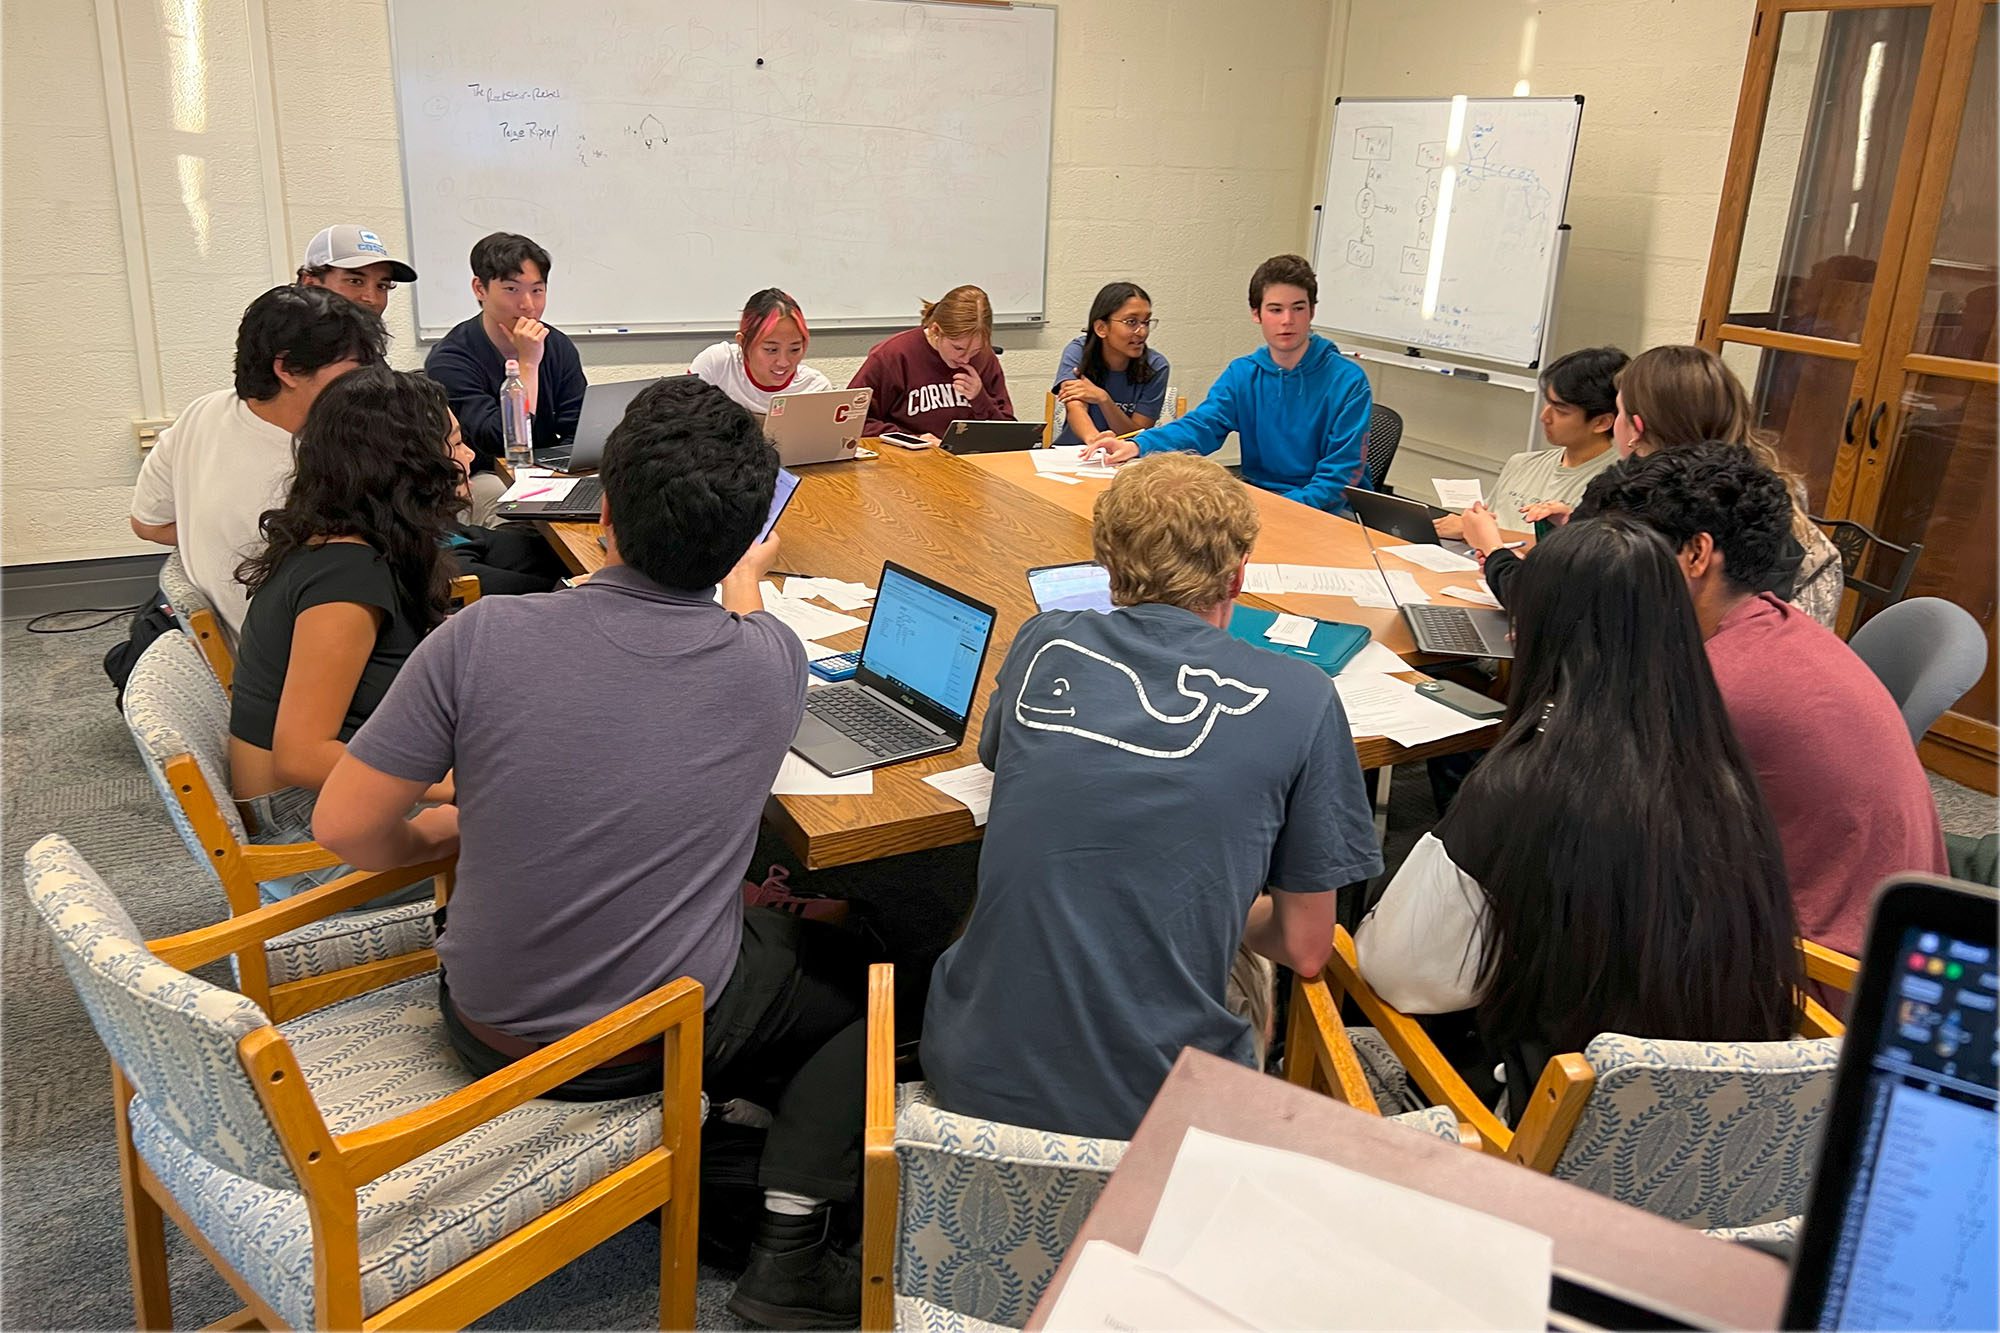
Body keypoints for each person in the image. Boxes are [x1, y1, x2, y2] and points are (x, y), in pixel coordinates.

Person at [312, 376, 868, 1329]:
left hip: (479, 1016)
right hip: (631, 1048)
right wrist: (748, 585)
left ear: (605, 510)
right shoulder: (771, 662)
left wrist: (470, 824)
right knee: (879, 975)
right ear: (741, 540)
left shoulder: (481, 636)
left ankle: (733, 1150)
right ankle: (789, 1240)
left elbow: (345, 829)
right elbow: (733, 638)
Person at [921, 452, 1384, 1141]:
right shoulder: (1303, 697)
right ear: (1238, 572)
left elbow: (996, 753)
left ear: (1107, 567)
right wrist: (1222, 900)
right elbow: (1305, 946)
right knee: (1251, 957)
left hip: (972, 1080)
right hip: (1167, 1121)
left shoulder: (1045, 640)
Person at [1357, 514, 1802, 1114]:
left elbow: (1401, 976)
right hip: (1718, 1121)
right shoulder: (1723, 767)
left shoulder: (1524, 784)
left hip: (1557, 1128)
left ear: (1543, 633)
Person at [1579, 445, 1948, 960]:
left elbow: (1612, 837)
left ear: (1695, 555)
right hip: (1881, 943)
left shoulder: (1721, 685)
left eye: (1623, 552)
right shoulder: (1773, 623)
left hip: (1810, 974)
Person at [228, 365, 465, 863]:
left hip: (328, 801)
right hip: (304, 832)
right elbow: (301, 756)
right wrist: (450, 785)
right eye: (456, 444)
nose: (466, 458)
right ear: (414, 466)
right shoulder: (347, 579)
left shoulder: (339, 540)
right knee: (558, 822)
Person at [1463, 345, 1843, 626]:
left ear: (1636, 427)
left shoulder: (1640, 499)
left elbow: (1545, 603)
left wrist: (1493, 548)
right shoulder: (1771, 492)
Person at [131, 285, 386, 638]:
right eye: (355, 367)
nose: (366, 381)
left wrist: (218, 539)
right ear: (289, 370)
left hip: (249, 644)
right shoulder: (317, 463)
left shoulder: (204, 411)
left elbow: (147, 524)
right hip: (302, 653)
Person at [1095, 255, 1373, 516]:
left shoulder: (1348, 381)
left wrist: (1277, 509)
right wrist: (1137, 445)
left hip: (1327, 512)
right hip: (1261, 500)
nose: (1287, 320)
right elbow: (1201, 426)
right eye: (1275, 309)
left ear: (1311, 311)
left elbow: (1340, 476)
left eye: (1298, 308)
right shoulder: (1244, 374)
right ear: (1257, 314)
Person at [423, 232, 587, 525]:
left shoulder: (558, 345)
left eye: (537, 291)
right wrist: (527, 363)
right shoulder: (450, 359)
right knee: (511, 509)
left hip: (548, 471)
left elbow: (579, 428)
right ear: (480, 289)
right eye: (512, 289)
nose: (528, 305)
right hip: (484, 474)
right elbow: (498, 439)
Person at [1434, 346, 1626, 537]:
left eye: (1561, 410)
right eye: (1547, 402)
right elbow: (1485, 520)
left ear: (1601, 422)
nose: (1545, 416)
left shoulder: (1616, 485)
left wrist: (1476, 532)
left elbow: (1576, 555)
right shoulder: (1522, 464)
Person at [847, 284, 1015, 440]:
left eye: (975, 350)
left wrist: (980, 399)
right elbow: (852, 421)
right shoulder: (893, 355)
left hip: (967, 462)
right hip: (909, 460)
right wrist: (914, 439)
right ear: (936, 330)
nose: (966, 359)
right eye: (958, 348)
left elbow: (1007, 434)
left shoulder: (984, 358)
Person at [1050, 281, 1171, 448]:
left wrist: (1104, 399)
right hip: (1077, 452)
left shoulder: (1156, 366)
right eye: (1131, 322)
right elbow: (1075, 408)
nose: (1142, 332)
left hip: (1126, 457)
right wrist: (1094, 441)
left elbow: (1136, 435)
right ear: (1101, 328)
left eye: (1146, 322)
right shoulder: (1079, 351)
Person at [690, 288, 834, 415]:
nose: (783, 362)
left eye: (795, 349)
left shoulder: (815, 389)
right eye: (771, 350)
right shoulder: (717, 365)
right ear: (742, 342)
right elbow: (680, 423)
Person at [295, 223, 418, 318]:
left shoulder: (365, 348)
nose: (371, 299)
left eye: (382, 286)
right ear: (310, 284)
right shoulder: (286, 346)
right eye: (355, 281)